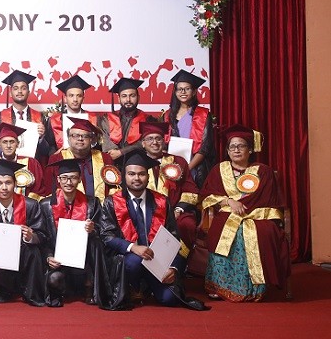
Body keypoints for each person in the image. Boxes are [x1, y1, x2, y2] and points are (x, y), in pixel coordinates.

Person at [98, 151, 202, 310]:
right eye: (131, 174)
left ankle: (147, 287)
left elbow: (173, 238)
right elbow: (106, 235)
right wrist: (132, 247)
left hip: (156, 260)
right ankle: (133, 288)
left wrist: (173, 268)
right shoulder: (112, 202)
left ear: (148, 177)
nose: (136, 178)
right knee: (134, 261)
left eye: (141, 174)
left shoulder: (162, 201)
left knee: (169, 299)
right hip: (127, 259)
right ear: (124, 176)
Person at [201, 125, 290, 302]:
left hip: (257, 216)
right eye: (232, 147)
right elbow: (206, 195)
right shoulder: (219, 170)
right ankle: (220, 285)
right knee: (222, 229)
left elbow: (268, 199)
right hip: (228, 214)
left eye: (241, 146)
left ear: (250, 149)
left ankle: (254, 288)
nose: (236, 150)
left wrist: (246, 209)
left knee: (256, 233)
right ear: (227, 151)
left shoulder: (263, 171)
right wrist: (229, 201)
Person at [0, 159, 47, 306]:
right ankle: (6, 290)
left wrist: (31, 237)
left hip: (22, 259)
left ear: (15, 184)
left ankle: (30, 293)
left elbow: (42, 235)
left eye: (8, 183)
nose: (4, 188)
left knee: (33, 251)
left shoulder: (30, 205)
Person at [40, 158, 103, 307]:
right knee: (54, 279)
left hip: (84, 261)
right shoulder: (45, 205)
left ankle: (88, 288)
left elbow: (103, 231)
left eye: (73, 178)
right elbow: (42, 237)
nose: (69, 182)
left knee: (95, 245)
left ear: (80, 179)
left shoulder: (92, 203)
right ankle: (64, 291)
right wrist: (48, 257)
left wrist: (93, 229)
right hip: (58, 262)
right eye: (64, 178)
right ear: (58, 180)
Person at [139, 121, 200, 251]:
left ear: (164, 141)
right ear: (143, 143)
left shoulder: (178, 161)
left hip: (174, 210)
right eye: (150, 139)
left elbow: (190, 190)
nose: (154, 142)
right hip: (144, 211)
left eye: (158, 138)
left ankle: (179, 260)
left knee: (186, 224)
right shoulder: (136, 163)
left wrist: (178, 210)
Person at [164, 70, 215, 187]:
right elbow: (164, 144)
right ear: (175, 92)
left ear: (194, 91)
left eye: (187, 89)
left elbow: (205, 147)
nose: (183, 92)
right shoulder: (167, 115)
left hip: (196, 167)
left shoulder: (203, 114)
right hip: (172, 167)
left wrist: (187, 168)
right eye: (179, 89)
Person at [0, 123, 48, 201]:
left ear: (18, 144)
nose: (8, 146)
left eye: (12, 142)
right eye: (5, 142)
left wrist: (26, 204)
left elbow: (39, 190)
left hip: (24, 206)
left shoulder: (31, 164)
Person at [0, 70, 50, 162]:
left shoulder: (39, 117)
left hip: (31, 165)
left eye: (23, 88)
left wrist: (41, 138)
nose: (19, 91)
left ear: (28, 92)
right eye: (16, 88)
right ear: (10, 93)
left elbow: (46, 151)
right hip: (6, 164)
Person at [56, 117, 119, 201]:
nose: (80, 139)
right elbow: (51, 190)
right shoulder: (57, 159)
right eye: (75, 135)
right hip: (68, 208)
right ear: (68, 138)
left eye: (85, 136)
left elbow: (113, 187)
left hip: (101, 207)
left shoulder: (105, 158)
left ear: (91, 139)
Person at [97, 77, 151, 161]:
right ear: (119, 99)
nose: (128, 100)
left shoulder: (147, 119)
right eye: (124, 96)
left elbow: (145, 143)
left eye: (132, 96)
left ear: (138, 97)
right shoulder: (107, 118)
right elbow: (105, 140)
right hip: (113, 162)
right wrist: (115, 153)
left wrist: (121, 152)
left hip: (137, 161)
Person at [48, 74, 97, 151]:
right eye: (71, 95)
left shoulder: (93, 118)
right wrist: (56, 155)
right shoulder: (54, 120)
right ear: (65, 98)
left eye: (79, 96)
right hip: (63, 157)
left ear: (83, 98)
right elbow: (50, 145)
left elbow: (99, 145)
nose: (75, 99)